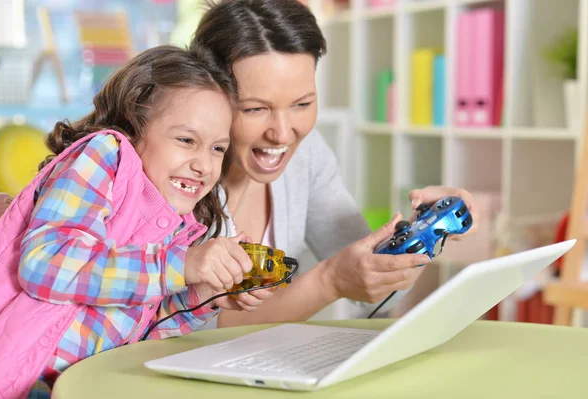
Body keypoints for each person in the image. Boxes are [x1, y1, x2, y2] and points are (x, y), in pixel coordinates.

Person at [0, 44, 266, 399]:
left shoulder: (179, 224)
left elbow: (146, 337)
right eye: (186, 140)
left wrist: (202, 294)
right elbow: (44, 263)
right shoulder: (104, 156)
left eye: (217, 148)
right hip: (10, 382)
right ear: (135, 125)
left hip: (83, 388)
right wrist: (182, 266)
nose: (205, 165)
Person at [190, 0, 479, 327]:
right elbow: (198, 327)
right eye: (255, 109)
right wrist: (331, 281)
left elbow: (375, 289)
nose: (283, 133)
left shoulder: (307, 154)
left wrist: (425, 232)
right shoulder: (176, 170)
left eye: (302, 104)